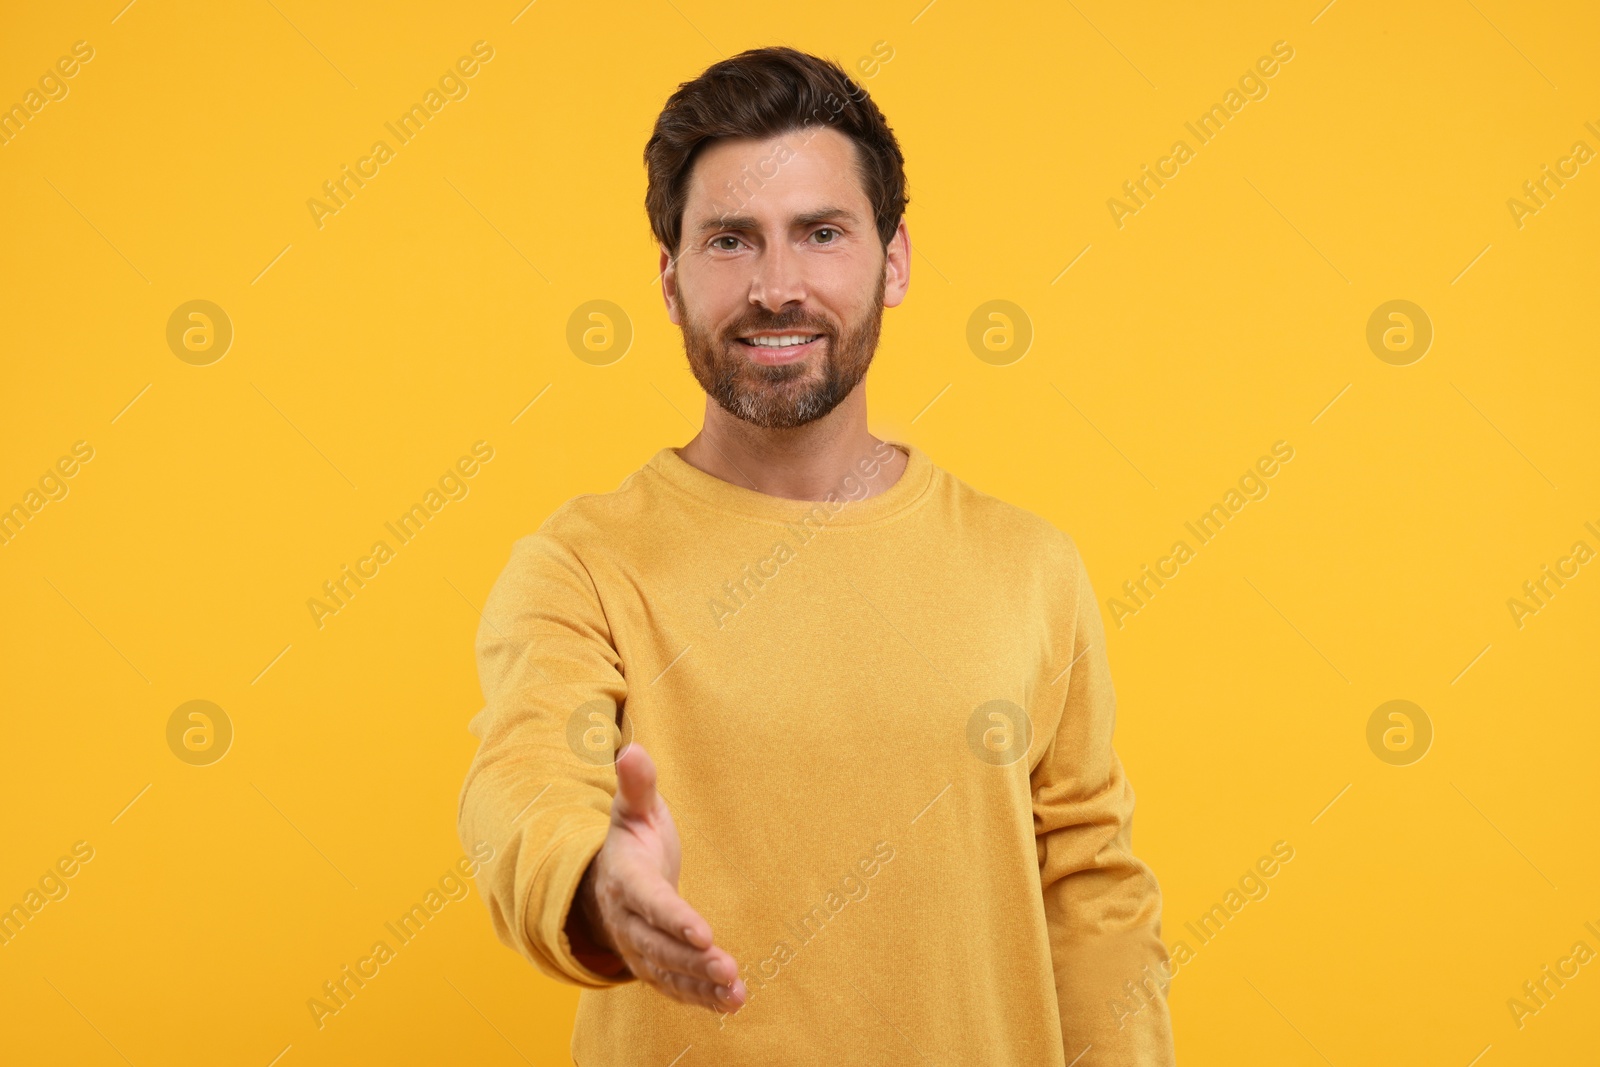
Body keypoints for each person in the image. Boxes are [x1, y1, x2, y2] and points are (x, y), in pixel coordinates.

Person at [458, 45, 1176, 1065]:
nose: (776, 285)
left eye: (821, 233)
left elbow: (1093, 891)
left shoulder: (1030, 568)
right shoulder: (580, 565)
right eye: (729, 241)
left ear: (893, 259)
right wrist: (593, 883)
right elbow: (521, 779)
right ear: (669, 280)